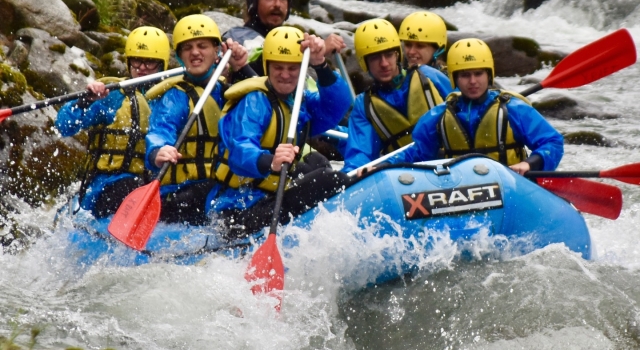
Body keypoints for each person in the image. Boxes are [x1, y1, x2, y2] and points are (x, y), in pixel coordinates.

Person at [210, 26, 352, 236]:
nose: (285, 75)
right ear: (268, 66)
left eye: (292, 68)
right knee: (330, 180)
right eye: (278, 67)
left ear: (301, 69)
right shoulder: (255, 101)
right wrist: (271, 161)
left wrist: (320, 64)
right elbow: (240, 149)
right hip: (235, 209)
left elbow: (336, 108)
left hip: (267, 196)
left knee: (315, 164)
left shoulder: (297, 101)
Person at [370, 38, 563, 176]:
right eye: (465, 75)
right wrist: (382, 166)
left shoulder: (513, 109)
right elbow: (416, 153)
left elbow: (552, 142)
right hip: (459, 192)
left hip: (511, 187)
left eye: (478, 74)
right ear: (454, 78)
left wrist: (528, 164)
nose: (472, 82)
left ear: (489, 75)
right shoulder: (438, 117)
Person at [56, 26, 170, 218]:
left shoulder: (169, 99)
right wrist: (84, 101)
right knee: (130, 187)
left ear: (162, 64)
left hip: (149, 184)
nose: (142, 68)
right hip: (106, 184)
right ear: (128, 62)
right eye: (137, 61)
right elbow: (64, 126)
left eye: (150, 62)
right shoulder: (113, 96)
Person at [144, 14, 249, 224]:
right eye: (187, 48)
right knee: (211, 189)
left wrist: (242, 69)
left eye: (202, 46)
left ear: (217, 51)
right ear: (180, 56)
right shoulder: (176, 97)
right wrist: (158, 150)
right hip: (180, 193)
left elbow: (264, 107)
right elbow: (161, 129)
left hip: (217, 186)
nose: (195, 52)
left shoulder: (228, 91)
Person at [342, 19, 452, 173]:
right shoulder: (364, 105)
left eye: (389, 55)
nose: (385, 63)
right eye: (375, 58)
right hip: (404, 175)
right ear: (364, 62)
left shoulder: (428, 75)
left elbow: (463, 109)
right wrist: (355, 172)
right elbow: (360, 152)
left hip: (448, 164)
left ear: (397, 55)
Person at [224, 0, 346, 74]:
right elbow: (252, 71)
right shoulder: (235, 38)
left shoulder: (295, 39)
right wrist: (313, 53)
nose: (277, 4)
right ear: (253, 3)